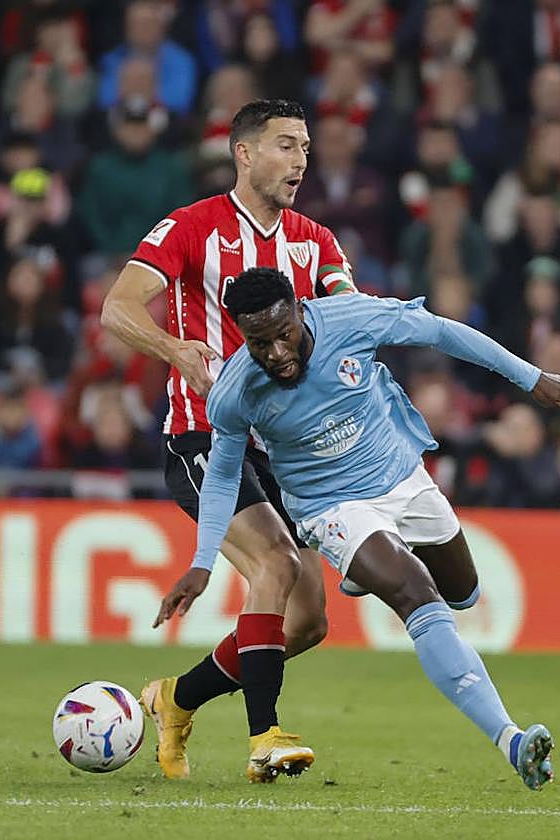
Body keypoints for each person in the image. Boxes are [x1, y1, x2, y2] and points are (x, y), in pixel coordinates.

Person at [161, 266, 560, 790]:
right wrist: (202, 561)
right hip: (330, 507)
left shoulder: (353, 318)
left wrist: (531, 378)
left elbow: (443, 332)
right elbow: (219, 475)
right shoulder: (236, 390)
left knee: (462, 591)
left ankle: (374, 574)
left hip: (401, 477)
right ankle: (511, 739)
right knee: (416, 593)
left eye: (284, 335)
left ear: (300, 313)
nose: (277, 354)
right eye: (260, 344)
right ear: (244, 336)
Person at [101, 99, 357, 783]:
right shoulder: (192, 228)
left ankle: (175, 699)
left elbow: (346, 322)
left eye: (304, 145)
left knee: (306, 623)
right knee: (275, 564)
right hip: (203, 436)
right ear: (243, 153)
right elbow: (117, 306)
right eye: (284, 145)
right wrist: (172, 350)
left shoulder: (316, 241)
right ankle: (264, 737)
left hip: (287, 449)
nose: (300, 158)